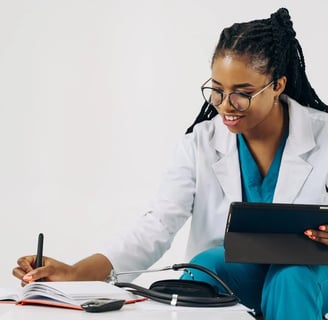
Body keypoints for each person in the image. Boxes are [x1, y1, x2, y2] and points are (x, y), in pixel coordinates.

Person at [13, 7, 328, 319]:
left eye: (241, 93)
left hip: (310, 276)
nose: (225, 106)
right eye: (217, 91)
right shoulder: (199, 144)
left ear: (278, 85)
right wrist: (75, 272)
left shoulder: (323, 136)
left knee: (291, 275)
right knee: (206, 267)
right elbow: (155, 226)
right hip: (235, 276)